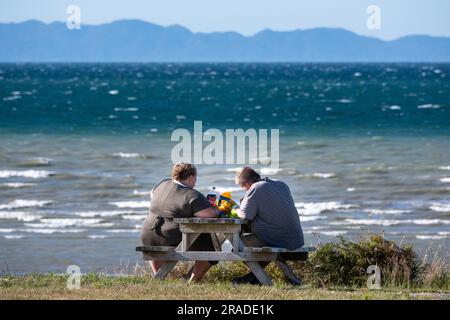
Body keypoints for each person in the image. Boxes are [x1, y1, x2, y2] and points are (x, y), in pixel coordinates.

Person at [140, 163, 220, 282]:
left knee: (156, 243)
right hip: (170, 237)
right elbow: (208, 214)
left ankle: (159, 277)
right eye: (195, 179)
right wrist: (218, 209)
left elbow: (153, 196)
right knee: (210, 246)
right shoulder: (191, 194)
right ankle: (192, 281)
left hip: (147, 236)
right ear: (191, 177)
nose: (195, 182)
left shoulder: (161, 185)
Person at [233, 166, 304, 284]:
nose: (244, 190)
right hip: (295, 239)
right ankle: (253, 279)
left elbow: (245, 215)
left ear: (247, 183)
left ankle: (257, 278)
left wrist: (235, 209)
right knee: (252, 242)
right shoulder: (281, 184)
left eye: (242, 187)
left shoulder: (255, 187)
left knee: (239, 245)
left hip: (278, 240)